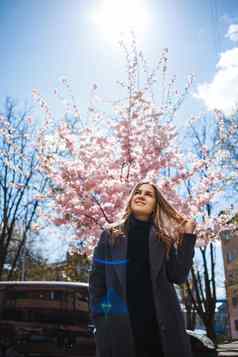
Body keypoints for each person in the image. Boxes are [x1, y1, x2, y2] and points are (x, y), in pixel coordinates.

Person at [89, 181, 197, 357]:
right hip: (121, 328)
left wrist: (187, 238)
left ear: (156, 204)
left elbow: (178, 276)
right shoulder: (110, 235)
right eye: (138, 192)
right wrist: (101, 322)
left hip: (161, 328)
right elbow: (97, 284)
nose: (141, 196)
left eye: (148, 194)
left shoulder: (164, 238)